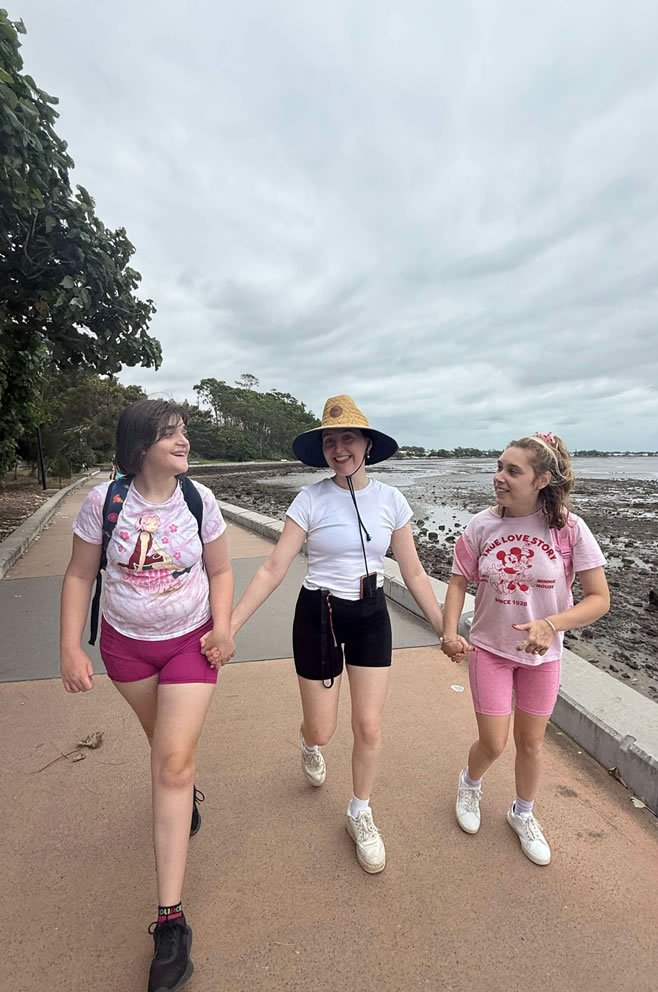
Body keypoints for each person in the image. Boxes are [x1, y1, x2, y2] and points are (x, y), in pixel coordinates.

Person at [205, 395, 444, 874]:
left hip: (372, 612)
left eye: (348, 439)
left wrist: (447, 630)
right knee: (324, 729)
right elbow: (274, 567)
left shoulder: (392, 501)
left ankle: (360, 811)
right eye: (331, 441)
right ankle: (308, 742)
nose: (339, 449)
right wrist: (227, 626)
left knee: (369, 725)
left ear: (367, 444)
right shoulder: (310, 499)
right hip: (319, 612)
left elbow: (415, 573)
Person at [59, 399, 234, 992]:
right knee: (164, 748)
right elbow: (81, 574)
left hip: (190, 642)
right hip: (125, 648)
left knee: (172, 760)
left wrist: (224, 625)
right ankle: (182, 796)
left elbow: (220, 571)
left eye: (183, 432)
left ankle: (170, 922)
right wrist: (69, 648)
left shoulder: (198, 500)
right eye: (170, 434)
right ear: (139, 448)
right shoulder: (104, 504)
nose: (183, 441)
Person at [440, 432, 609, 866]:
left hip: (542, 657)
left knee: (531, 744)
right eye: (499, 467)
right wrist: (448, 631)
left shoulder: (568, 529)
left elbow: (598, 599)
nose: (499, 477)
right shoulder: (481, 525)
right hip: (490, 649)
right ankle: (470, 784)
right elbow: (459, 580)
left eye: (512, 471)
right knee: (493, 743)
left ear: (541, 480)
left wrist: (551, 625)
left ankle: (523, 813)